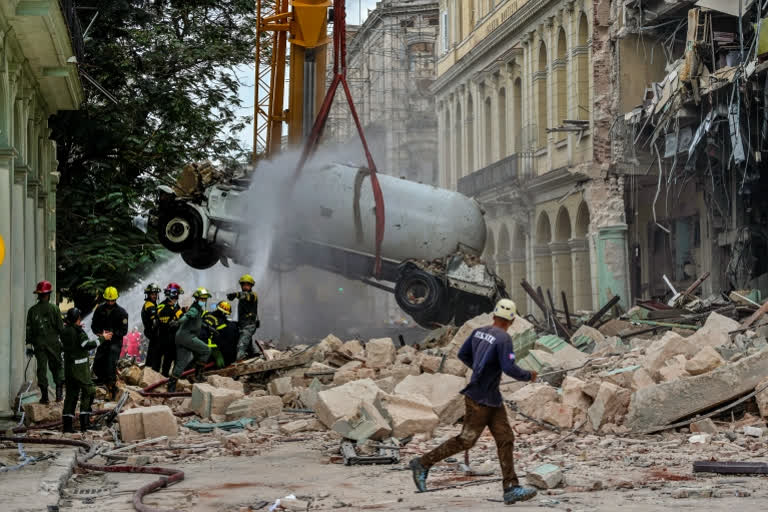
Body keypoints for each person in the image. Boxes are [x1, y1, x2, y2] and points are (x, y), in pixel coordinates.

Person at [408, 299, 539, 505]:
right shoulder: (504, 339)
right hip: (480, 400)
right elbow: (509, 367)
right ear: (512, 320)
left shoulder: (478, 332)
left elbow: (463, 354)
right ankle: (422, 463)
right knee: (466, 440)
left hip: (490, 398)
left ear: (494, 315)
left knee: (505, 438)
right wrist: (528, 375)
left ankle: (511, 488)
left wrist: (479, 369)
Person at [61, 307, 111, 433]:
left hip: (68, 369)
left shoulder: (65, 330)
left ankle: (67, 427)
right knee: (89, 391)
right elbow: (86, 345)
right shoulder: (79, 333)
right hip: (79, 369)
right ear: (77, 319)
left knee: (71, 395)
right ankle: (85, 424)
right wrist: (103, 338)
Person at [25, 280, 65, 404]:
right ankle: (59, 395)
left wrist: (29, 345)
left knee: (41, 369)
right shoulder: (54, 309)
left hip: (39, 344)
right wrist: (64, 343)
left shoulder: (32, 311)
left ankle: (45, 397)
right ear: (48, 294)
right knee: (57, 367)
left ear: (38, 294)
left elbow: (29, 330)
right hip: (53, 343)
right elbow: (60, 328)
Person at [167, 287, 212, 392]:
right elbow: (187, 316)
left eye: (205, 299)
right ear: (197, 299)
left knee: (181, 364)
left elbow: (196, 321)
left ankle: (171, 387)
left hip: (180, 337)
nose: (203, 301)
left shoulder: (198, 309)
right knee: (206, 350)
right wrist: (177, 322)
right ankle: (198, 376)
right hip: (187, 337)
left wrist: (209, 328)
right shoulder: (195, 308)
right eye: (202, 299)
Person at [91, 286, 128, 399]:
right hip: (103, 341)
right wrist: (100, 333)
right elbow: (94, 326)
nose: (110, 302)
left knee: (110, 363)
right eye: (108, 300)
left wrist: (112, 334)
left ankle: (112, 388)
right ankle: (105, 381)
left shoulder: (122, 312)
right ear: (105, 299)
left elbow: (124, 331)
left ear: (116, 299)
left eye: (112, 300)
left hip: (115, 343)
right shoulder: (99, 310)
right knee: (97, 365)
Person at [152, 283, 184, 376]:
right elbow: (165, 322)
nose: (177, 297)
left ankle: (164, 377)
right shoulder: (162, 307)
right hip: (162, 338)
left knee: (168, 361)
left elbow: (180, 318)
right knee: (157, 363)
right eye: (177, 294)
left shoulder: (175, 306)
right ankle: (154, 379)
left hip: (172, 339)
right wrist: (179, 315)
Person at [227, 274, 260, 360]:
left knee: (240, 349)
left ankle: (240, 366)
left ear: (251, 286)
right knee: (248, 346)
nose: (245, 286)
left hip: (249, 325)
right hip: (243, 325)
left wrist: (235, 295)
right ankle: (255, 356)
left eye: (247, 285)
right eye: (243, 284)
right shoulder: (242, 297)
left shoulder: (253, 295)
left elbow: (246, 295)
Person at [201, 301, 237, 368]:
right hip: (209, 345)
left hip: (196, 341)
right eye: (226, 314)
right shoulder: (221, 323)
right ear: (223, 313)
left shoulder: (206, 313)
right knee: (221, 362)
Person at [141, 283, 162, 365]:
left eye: (156, 294)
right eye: (152, 294)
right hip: (152, 331)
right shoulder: (149, 305)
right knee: (155, 350)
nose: (155, 296)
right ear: (148, 295)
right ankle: (151, 366)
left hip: (151, 331)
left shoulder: (152, 304)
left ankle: (149, 366)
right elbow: (155, 321)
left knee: (152, 349)